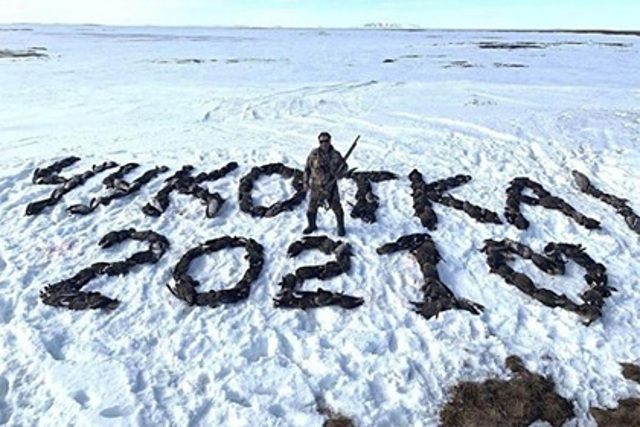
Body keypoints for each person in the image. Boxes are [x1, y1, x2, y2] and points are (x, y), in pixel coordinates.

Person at [302, 132, 348, 236]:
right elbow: (307, 169)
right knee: (312, 207)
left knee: (336, 207)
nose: (324, 143)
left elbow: (345, 167)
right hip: (316, 186)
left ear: (330, 141)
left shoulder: (336, 155)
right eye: (321, 141)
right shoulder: (314, 154)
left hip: (331, 186)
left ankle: (341, 226)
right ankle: (311, 225)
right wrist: (305, 182)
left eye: (326, 141)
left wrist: (340, 174)